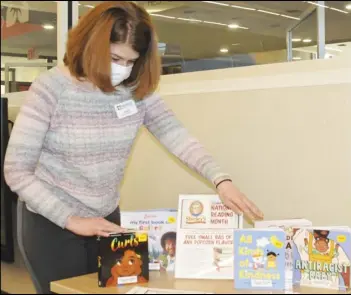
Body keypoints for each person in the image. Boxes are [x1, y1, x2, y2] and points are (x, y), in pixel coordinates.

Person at [4, 1, 263, 293]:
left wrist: (221, 180)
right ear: (90, 44)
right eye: (115, 58)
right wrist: (72, 219)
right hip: (52, 223)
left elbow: (175, 135)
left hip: (106, 219)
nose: (123, 71)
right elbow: (17, 171)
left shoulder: (135, 90)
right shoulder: (51, 89)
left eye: (131, 62)